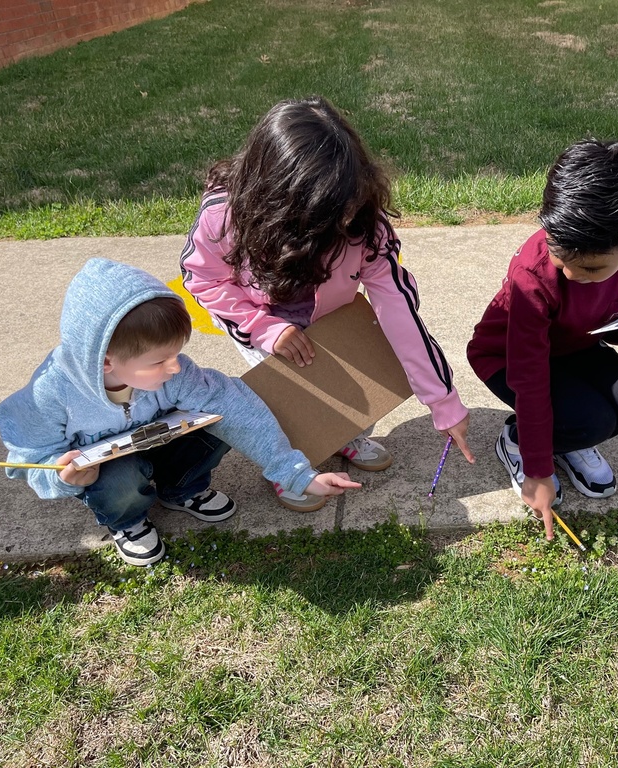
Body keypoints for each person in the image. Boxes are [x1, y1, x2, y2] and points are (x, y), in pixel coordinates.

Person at [181, 96, 474, 513]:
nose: (346, 221)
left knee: (360, 382)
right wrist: (264, 329)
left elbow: (399, 309)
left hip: (334, 318)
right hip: (261, 321)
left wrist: (443, 401)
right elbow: (204, 280)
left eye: (351, 208)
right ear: (278, 204)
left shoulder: (363, 223)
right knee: (288, 400)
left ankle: (345, 434)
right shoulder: (224, 216)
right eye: (329, 218)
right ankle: (289, 464)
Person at [0, 258, 360, 567]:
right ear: (106, 362)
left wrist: (295, 473)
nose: (174, 367)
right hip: (107, 470)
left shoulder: (175, 370)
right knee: (118, 480)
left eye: (175, 354)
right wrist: (63, 476)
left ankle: (181, 489)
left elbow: (234, 406)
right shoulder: (52, 392)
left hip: (160, 439)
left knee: (217, 421)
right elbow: (30, 454)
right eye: (160, 361)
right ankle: (129, 520)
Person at [466, 139, 618, 540]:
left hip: (574, 344)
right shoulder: (531, 277)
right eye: (559, 258)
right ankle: (517, 440)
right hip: (508, 357)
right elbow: (529, 380)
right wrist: (537, 469)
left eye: (590, 268)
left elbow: (613, 318)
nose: (570, 275)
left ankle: (562, 439)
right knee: (589, 421)